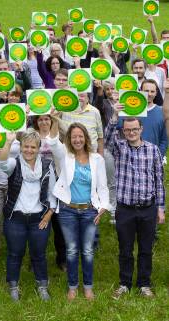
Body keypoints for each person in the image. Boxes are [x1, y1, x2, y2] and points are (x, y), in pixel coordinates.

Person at [106, 103, 165, 299]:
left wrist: (161, 208)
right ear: (123, 131)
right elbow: (106, 140)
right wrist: (115, 115)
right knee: (125, 249)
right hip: (125, 209)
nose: (131, 132)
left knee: (146, 249)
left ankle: (144, 284)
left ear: (141, 129)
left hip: (148, 208)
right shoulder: (119, 148)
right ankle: (124, 283)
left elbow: (159, 180)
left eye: (134, 129)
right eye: (127, 130)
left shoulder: (153, 150)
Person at [46, 122, 110, 301]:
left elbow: (103, 187)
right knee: (72, 250)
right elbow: (52, 142)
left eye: (80, 136)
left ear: (86, 138)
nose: (77, 139)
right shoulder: (64, 156)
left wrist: (104, 205)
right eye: (74, 136)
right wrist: (55, 121)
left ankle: (88, 287)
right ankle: (72, 287)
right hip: (68, 210)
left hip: (90, 210)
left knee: (88, 251)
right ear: (69, 139)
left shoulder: (97, 159)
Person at [0, 129, 56, 301]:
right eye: (26, 146)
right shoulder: (14, 164)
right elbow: (2, 163)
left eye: (33, 147)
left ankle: (42, 285)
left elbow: (53, 192)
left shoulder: (47, 165)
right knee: (15, 253)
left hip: (39, 218)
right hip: (15, 218)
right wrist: (8, 142)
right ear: (21, 147)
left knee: (39, 254)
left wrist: (49, 214)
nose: (29, 150)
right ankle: (13, 286)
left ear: (38, 148)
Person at [31, 115, 67, 271]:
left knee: (59, 225)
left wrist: (57, 118)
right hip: (37, 184)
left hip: (59, 182)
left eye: (47, 119)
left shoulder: (60, 134)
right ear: (36, 122)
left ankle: (62, 259)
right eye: (40, 120)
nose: (44, 122)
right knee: (37, 224)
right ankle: (36, 260)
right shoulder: (32, 135)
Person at [117, 79, 167, 157]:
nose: (149, 94)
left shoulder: (162, 111)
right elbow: (118, 127)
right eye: (146, 91)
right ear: (140, 91)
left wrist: (159, 156)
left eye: (152, 91)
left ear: (156, 93)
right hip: (130, 156)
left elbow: (164, 139)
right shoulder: (130, 110)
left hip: (152, 157)